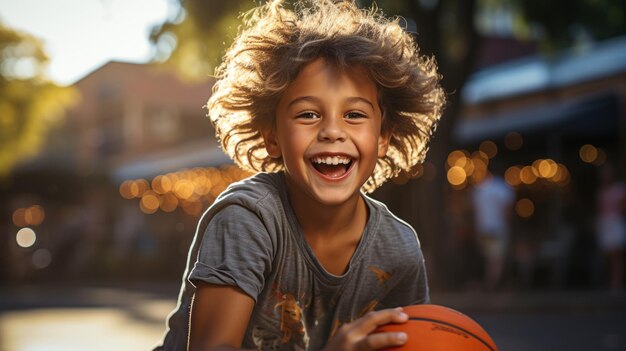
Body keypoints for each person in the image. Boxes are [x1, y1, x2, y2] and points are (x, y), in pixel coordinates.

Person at [153, 0, 444, 350]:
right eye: (307, 114)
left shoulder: (399, 249)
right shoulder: (248, 219)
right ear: (272, 136)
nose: (332, 131)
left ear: (383, 137)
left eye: (354, 114)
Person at [471, 172, 515, 291]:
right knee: (496, 258)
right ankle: (492, 285)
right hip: (498, 228)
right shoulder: (502, 188)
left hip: (483, 228)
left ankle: (489, 282)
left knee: (488, 258)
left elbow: (475, 211)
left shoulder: (479, 189)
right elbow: (507, 211)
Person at [596, 163, 625, 292]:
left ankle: (616, 283)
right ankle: (612, 281)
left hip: (616, 223)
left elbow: (623, 208)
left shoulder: (620, 189)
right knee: (609, 255)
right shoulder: (602, 191)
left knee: (616, 255)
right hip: (606, 224)